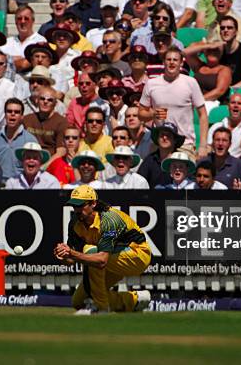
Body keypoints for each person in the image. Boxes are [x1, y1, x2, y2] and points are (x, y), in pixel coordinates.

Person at [55, 184, 151, 314]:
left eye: (80, 205)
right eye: (74, 205)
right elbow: (72, 260)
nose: (77, 209)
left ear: (93, 204)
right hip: (110, 258)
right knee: (79, 301)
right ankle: (134, 300)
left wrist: (71, 253)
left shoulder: (108, 219)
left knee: (90, 250)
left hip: (137, 255)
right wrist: (64, 256)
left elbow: (101, 260)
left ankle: (101, 308)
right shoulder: (75, 223)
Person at [139, 47, 208, 159]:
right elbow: (141, 113)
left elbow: (203, 114)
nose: (171, 62)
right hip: (160, 144)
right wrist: (152, 114)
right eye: (168, 59)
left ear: (181, 63)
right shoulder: (151, 83)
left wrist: (203, 145)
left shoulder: (190, 82)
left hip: (184, 144)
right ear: (163, 62)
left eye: (175, 60)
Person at [0, 98, 39, 181]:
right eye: (9, 111)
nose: (12, 114)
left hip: (21, 186)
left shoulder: (30, 140)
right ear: (5, 115)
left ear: (22, 116)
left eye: (17, 112)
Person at [23, 86, 68, 166]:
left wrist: (44, 167)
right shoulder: (27, 119)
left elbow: (61, 151)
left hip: (50, 164)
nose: (45, 102)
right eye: (42, 99)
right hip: (28, 161)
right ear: (37, 100)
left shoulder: (61, 122)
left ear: (55, 103)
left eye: (50, 100)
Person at [0, 5, 46, 72]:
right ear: (15, 22)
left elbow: (23, 65)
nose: (22, 21)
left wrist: (9, 60)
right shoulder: (6, 42)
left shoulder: (40, 41)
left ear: (33, 21)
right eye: (19, 18)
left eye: (26, 18)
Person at [184, 41, 232, 106]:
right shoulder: (200, 66)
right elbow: (185, 52)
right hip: (194, 102)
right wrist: (208, 45)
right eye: (210, 50)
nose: (212, 52)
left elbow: (219, 91)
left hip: (212, 104)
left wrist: (197, 101)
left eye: (216, 50)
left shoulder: (224, 70)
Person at [137, 122, 183, 188]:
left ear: (175, 140)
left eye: (168, 135)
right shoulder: (150, 160)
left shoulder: (182, 160)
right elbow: (139, 182)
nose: (164, 137)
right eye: (162, 135)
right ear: (157, 139)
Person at [207, 93, 241, 158]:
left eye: (239, 103)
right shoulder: (215, 127)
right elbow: (208, 147)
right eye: (233, 103)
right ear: (228, 107)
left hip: (236, 164)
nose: (236, 105)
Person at [219, 15, 241, 88]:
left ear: (236, 31)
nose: (225, 30)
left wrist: (232, 89)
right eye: (222, 28)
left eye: (229, 28)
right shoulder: (217, 52)